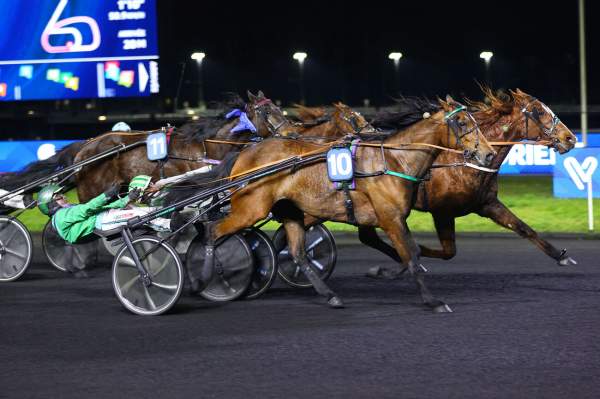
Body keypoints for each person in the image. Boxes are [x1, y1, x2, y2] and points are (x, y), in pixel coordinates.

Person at [37, 176, 170, 245]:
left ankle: (169, 211)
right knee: (139, 214)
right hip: (101, 223)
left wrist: (126, 199)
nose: (64, 197)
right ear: (51, 205)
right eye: (59, 197)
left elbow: (102, 208)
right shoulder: (61, 216)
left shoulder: (68, 210)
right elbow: (88, 209)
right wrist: (107, 194)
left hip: (103, 218)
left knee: (145, 209)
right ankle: (169, 225)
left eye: (62, 194)